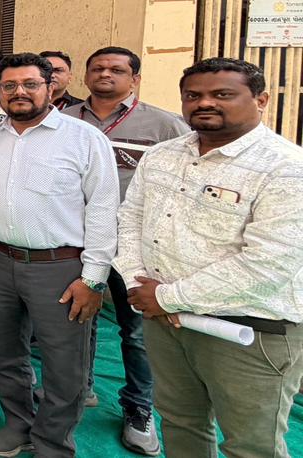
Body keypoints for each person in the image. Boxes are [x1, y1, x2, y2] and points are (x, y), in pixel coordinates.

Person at [117, 57, 303, 458]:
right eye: (193, 95)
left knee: (251, 446)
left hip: (247, 331)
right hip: (166, 323)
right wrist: (137, 283)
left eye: (222, 94)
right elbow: (130, 220)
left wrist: (167, 297)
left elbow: (269, 263)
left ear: (261, 100)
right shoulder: (163, 155)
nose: (204, 103)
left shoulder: (286, 168)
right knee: (180, 422)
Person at [0, 53, 119, 457]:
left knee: (63, 362)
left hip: (60, 267)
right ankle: (18, 424)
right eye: (9, 86)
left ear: (51, 87)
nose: (19, 92)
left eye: (30, 84)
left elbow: (104, 208)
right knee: (6, 350)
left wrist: (93, 279)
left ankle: (53, 443)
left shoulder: (83, 138)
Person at [61, 45, 189, 456]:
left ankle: (138, 408)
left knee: (136, 331)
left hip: (134, 246)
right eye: (98, 68)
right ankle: (79, 390)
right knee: (77, 319)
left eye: (117, 70)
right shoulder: (63, 120)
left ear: (135, 79)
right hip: (76, 241)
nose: (106, 74)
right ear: (85, 76)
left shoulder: (165, 125)